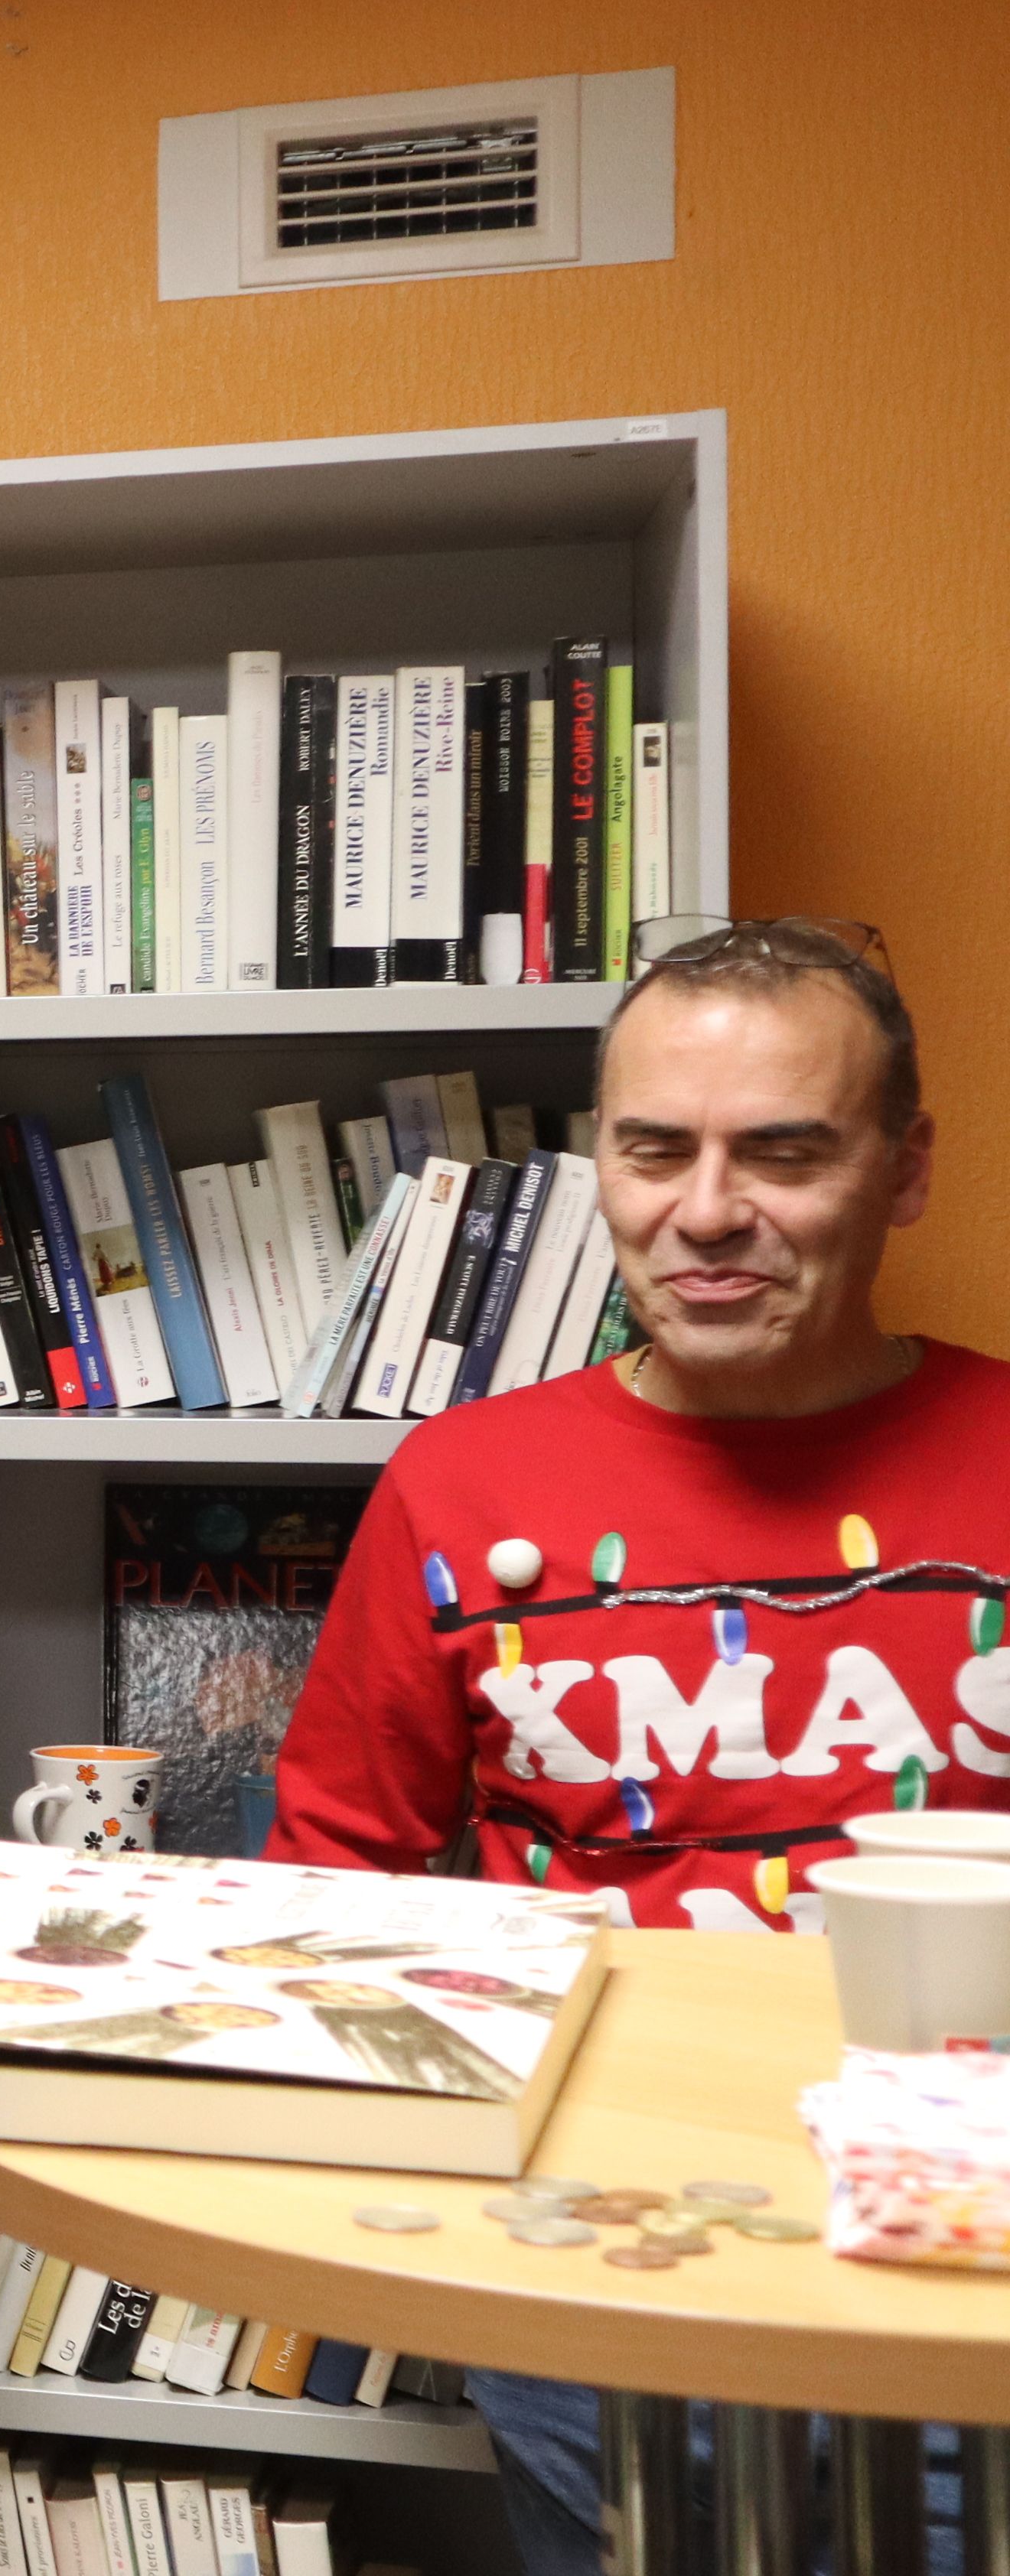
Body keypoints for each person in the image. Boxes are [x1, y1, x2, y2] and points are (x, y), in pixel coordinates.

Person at [269, 915, 993, 2575]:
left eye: (785, 1152)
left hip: (965, 2285)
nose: (707, 1211)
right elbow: (335, 1884)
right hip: (593, 2288)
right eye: (655, 1149)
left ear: (904, 1170)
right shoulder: (460, 1485)